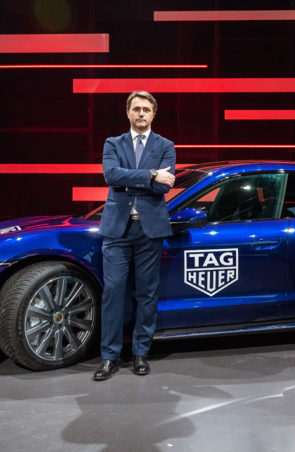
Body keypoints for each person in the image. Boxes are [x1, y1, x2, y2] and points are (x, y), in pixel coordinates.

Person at [94, 90, 176, 381]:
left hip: (149, 230)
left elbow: (164, 186)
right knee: (113, 292)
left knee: (146, 294)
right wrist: (151, 175)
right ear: (128, 112)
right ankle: (110, 357)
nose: (141, 113)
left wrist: (132, 179)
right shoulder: (112, 143)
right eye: (136, 108)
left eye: (146, 109)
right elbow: (111, 175)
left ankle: (141, 353)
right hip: (117, 229)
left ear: (154, 114)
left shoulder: (166, 145)